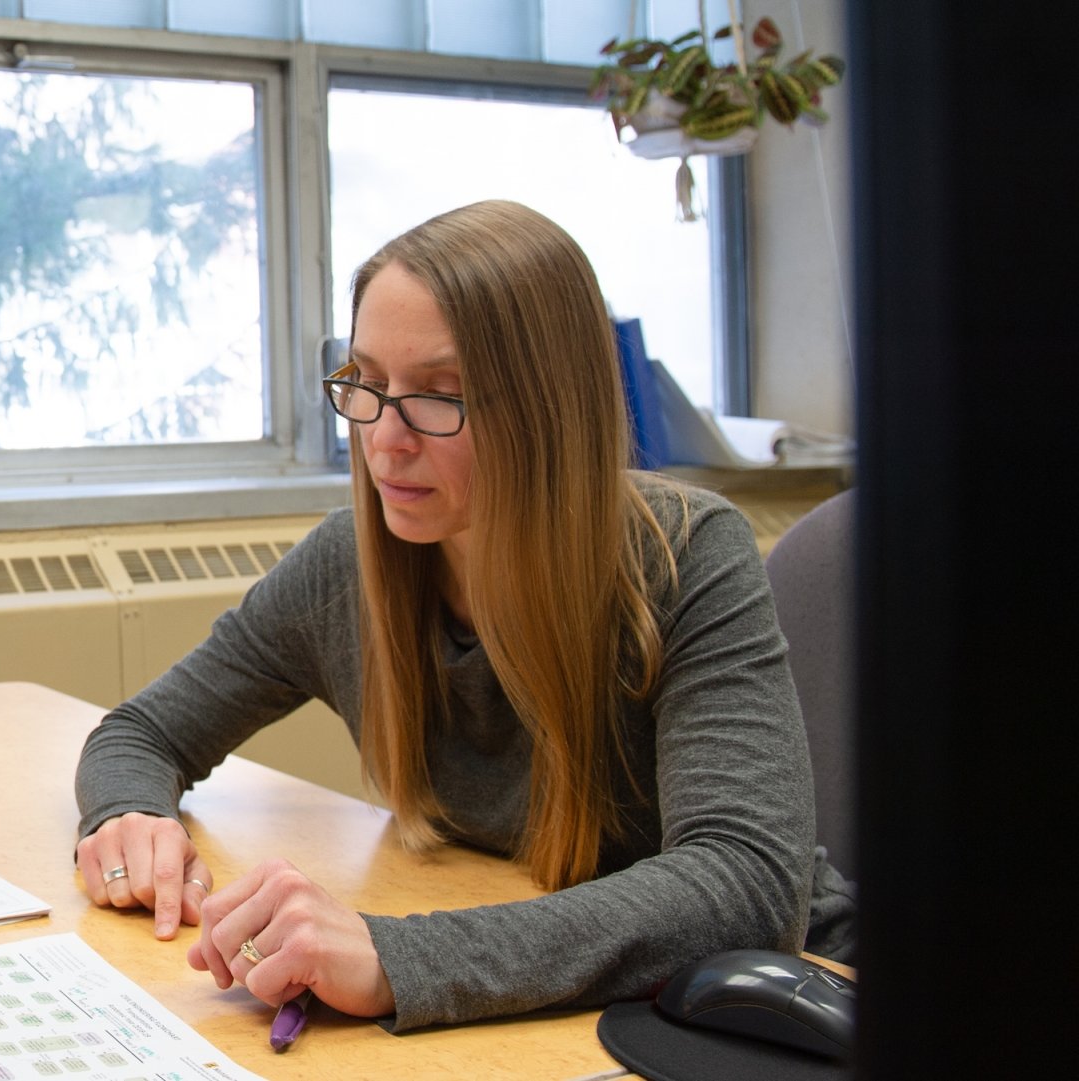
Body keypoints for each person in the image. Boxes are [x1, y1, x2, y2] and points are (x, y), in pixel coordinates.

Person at [72, 200, 854, 1032]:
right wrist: (129, 814)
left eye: (440, 396)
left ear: (549, 409)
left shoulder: (686, 557)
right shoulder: (346, 567)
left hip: (782, 1003)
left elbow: (745, 885)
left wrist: (397, 957)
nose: (385, 441)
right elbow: (141, 732)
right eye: (367, 383)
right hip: (553, 1003)